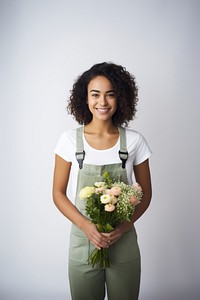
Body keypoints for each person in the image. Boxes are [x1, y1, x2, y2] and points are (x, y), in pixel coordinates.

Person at [52, 62, 152, 300]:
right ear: (85, 99)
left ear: (121, 98)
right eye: (95, 95)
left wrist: (122, 228)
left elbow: (146, 194)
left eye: (110, 94)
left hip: (123, 242)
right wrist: (87, 227)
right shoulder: (68, 141)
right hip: (82, 242)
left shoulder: (135, 141)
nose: (103, 102)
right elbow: (57, 193)